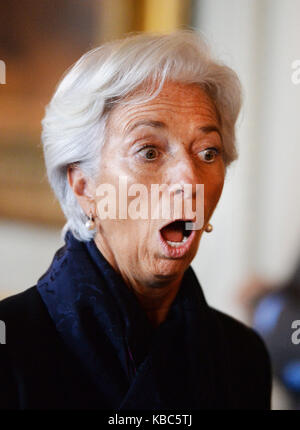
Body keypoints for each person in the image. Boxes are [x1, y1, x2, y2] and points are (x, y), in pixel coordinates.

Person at [0, 31, 272, 410]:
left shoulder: (242, 356)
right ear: (83, 186)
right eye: (149, 152)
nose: (191, 180)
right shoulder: (10, 350)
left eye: (208, 152)